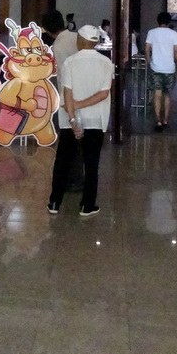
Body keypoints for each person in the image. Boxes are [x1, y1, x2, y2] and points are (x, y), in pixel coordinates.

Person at [48, 25, 114, 217]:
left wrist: (74, 117)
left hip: (70, 120)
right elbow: (103, 94)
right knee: (91, 164)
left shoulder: (70, 62)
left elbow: (67, 92)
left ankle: (54, 202)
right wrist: (80, 105)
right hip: (96, 119)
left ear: (80, 41)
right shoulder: (106, 63)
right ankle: (87, 205)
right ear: (94, 42)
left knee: (62, 162)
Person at [40, 9, 78, 129]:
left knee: (70, 126)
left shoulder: (58, 44)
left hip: (70, 90)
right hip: (86, 87)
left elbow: (63, 72)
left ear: (46, 29)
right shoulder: (77, 36)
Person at [145, 11, 177, 130]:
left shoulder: (151, 32)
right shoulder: (173, 34)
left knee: (157, 94)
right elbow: (176, 52)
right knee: (167, 95)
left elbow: (147, 49)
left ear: (158, 21)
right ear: (169, 21)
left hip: (156, 67)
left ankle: (158, 121)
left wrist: (149, 61)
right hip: (169, 68)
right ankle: (165, 119)